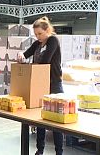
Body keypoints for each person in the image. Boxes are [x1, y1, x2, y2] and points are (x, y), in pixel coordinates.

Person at [17, 16, 64, 155]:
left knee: (55, 120)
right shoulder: (38, 43)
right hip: (40, 85)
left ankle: (59, 152)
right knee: (40, 119)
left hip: (54, 85)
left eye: (40, 34)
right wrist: (21, 56)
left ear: (47, 30)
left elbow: (46, 60)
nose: (38, 37)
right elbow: (26, 54)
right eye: (36, 34)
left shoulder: (53, 40)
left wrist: (32, 65)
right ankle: (40, 150)